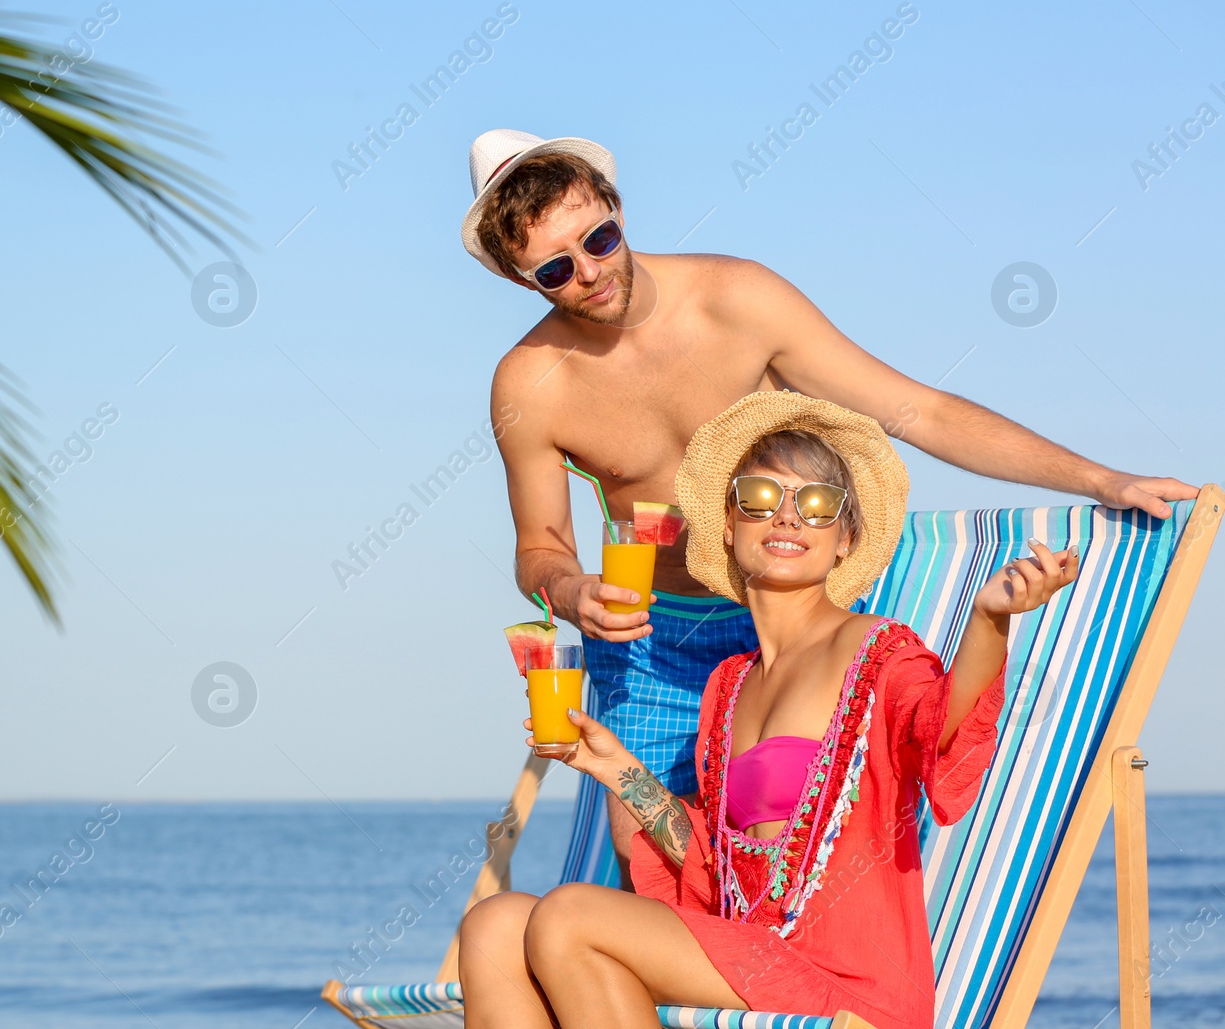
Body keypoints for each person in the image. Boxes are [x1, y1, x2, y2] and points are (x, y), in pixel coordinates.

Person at [463, 128, 1191, 879]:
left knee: (810, 858)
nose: (590, 271)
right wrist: (571, 587)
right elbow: (539, 545)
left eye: (599, 238)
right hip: (654, 644)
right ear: (528, 283)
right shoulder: (529, 382)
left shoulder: (739, 300)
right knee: (654, 865)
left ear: (618, 209)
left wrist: (1100, 480)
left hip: (796, 621)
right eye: (556, 267)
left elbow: (919, 412)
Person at [458, 391, 1078, 1029]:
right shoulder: (729, 685)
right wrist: (615, 767)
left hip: (846, 982)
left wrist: (988, 619)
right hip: (751, 956)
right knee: (495, 927)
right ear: (728, 527)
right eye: (758, 498)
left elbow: (942, 725)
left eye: (816, 504)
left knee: (569, 915)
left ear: (845, 540)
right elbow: (714, 864)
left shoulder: (875, 650)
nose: (787, 518)